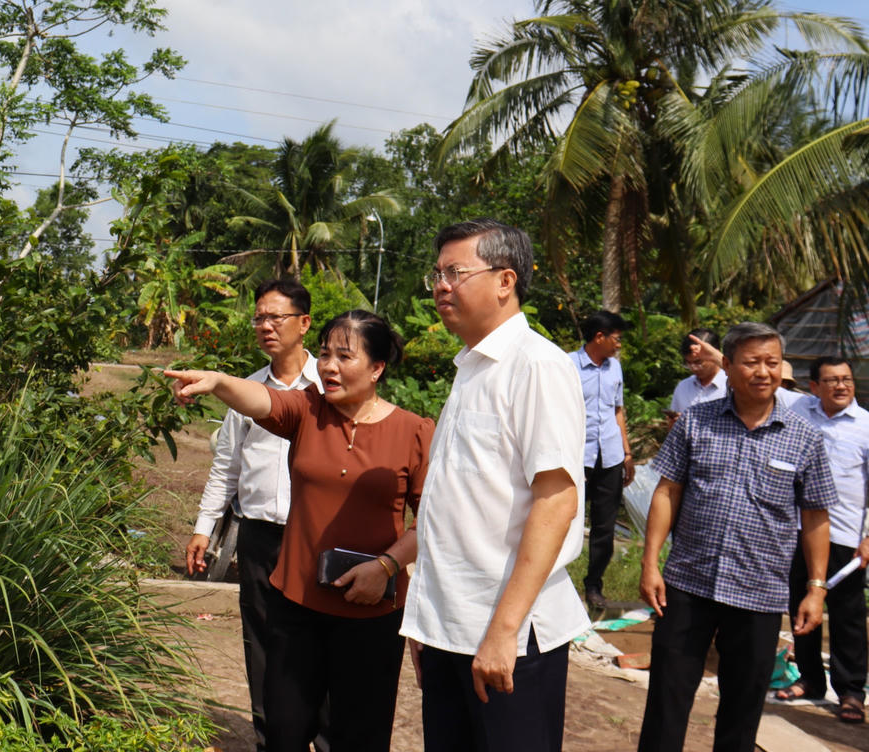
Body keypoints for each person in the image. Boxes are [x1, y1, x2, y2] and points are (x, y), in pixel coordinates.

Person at [168, 309, 434, 752]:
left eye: (344, 357)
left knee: (359, 738)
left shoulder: (414, 432)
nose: (328, 366)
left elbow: (431, 518)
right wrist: (217, 381)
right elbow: (261, 400)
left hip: (371, 614)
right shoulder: (309, 409)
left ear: (377, 368)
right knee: (285, 733)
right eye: (325, 354)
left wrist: (386, 566)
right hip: (296, 606)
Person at [400, 218, 589, 752]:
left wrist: (504, 631)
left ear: (505, 280)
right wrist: (427, 620)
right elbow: (456, 507)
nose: (441, 286)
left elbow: (557, 502)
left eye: (455, 272)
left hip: (509, 634)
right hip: (451, 627)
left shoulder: (537, 366)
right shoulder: (472, 368)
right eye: (436, 274)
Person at [637, 322, 838, 752]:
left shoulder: (803, 438)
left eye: (771, 362)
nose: (763, 372)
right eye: (751, 362)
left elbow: (816, 517)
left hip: (759, 593)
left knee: (742, 713)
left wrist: (815, 589)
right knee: (666, 703)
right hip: (688, 586)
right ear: (727, 365)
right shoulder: (696, 422)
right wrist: (650, 563)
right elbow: (667, 491)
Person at [185, 278, 321, 751]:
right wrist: (205, 528)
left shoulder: (331, 385)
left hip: (317, 537)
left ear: (304, 324)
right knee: (263, 646)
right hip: (260, 537)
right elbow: (227, 464)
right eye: (259, 317)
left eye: (275, 317)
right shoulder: (246, 391)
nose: (265, 326)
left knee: (319, 646)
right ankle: (272, 742)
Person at [774, 357, 869, 724]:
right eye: (831, 381)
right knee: (800, 606)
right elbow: (759, 378)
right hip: (798, 530)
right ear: (814, 387)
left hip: (846, 534)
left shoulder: (865, 426)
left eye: (846, 380)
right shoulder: (801, 410)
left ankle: (850, 691)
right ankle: (811, 679)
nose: (841, 386)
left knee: (847, 615)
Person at [570, 311, 635, 609]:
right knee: (565, 521)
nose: (618, 345)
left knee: (604, 527)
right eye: (616, 339)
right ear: (599, 337)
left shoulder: (615, 369)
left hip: (609, 456)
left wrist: (627, 452)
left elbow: (617, 411)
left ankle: (594, 587)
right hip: (576, 456)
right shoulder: (567, 365)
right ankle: (552, 585)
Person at [667, 328, 727, 423]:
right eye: (688, 363)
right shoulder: (683, 387)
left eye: (698, 362)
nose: (693, 368)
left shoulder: (733, 385)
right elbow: (671, 430)